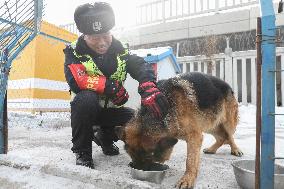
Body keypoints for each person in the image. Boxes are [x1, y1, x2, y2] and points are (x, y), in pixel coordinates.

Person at [64, 2, 169, 169]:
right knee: (86, 99)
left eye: (105, 35)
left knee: (134, 118)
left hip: (110, 110)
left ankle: (104, 138)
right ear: (85, 35)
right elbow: (77, 81)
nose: (102, 42)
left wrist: (148, 85)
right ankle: (82, 151)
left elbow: (140, 65)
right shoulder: (73, 51)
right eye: (94, 37)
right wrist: (110, 86)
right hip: (85, 111)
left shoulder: (120, 49)